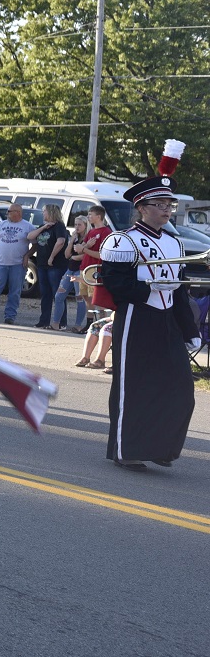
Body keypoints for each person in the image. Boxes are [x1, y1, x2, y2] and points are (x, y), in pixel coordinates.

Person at [98, 141, 197, 471]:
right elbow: (115, 283)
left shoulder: (174, 241)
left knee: (181, 389)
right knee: (134, 388)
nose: (167, 210)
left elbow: (180, 292)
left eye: (169, 204)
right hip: (137, 318)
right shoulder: (122, 241)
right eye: (160, 204)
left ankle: (160, 447)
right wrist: (148, 287)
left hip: (167, 320)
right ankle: (128, 450)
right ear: (142, 207)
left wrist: (190, 330)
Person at [30, 204, 69, 329]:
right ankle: (44, 321)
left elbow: (61, 241)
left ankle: (61, 322)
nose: (43, 213)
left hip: (56, 265)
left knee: (57, 294)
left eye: (44, 211)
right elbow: (30, 236)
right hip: (42, 264)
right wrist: (43, 228)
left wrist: (51, 257)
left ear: (51, 212)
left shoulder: (59, 226)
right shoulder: (43, 226)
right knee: (45, 293)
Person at [52, 214, 91, 332]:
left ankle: (78, 324)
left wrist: (76, 257)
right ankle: (55, 323)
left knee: (80, 297)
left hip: (81, 270)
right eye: (75, 224)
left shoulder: (89, 238)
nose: (77, 227)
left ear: (85, 225)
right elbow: (67, 255)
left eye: (79, 225)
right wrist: (71, 241)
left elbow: (86, 255)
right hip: (70, 269)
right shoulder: (74, 237)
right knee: (59, 296)